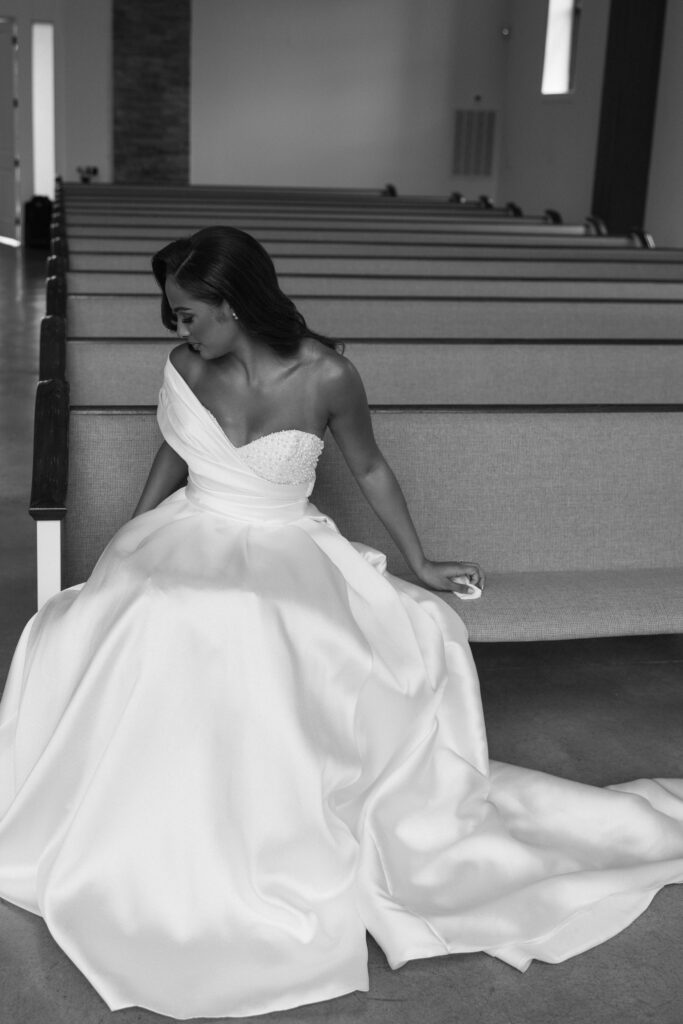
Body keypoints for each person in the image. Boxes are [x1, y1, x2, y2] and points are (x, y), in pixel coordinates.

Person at [0, 226, 681, 1020]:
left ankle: (262, 828)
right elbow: (174, 451)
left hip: (287, 543)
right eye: (172, 314)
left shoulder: (327, 373)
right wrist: (131, 530)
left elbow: (369, 467)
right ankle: (148, 827)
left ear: (235, 302)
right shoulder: (186, 365)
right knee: (142, 610)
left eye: (189, 312)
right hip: (191, 529)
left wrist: (420, 565)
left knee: (265, 622)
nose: (177, 328)